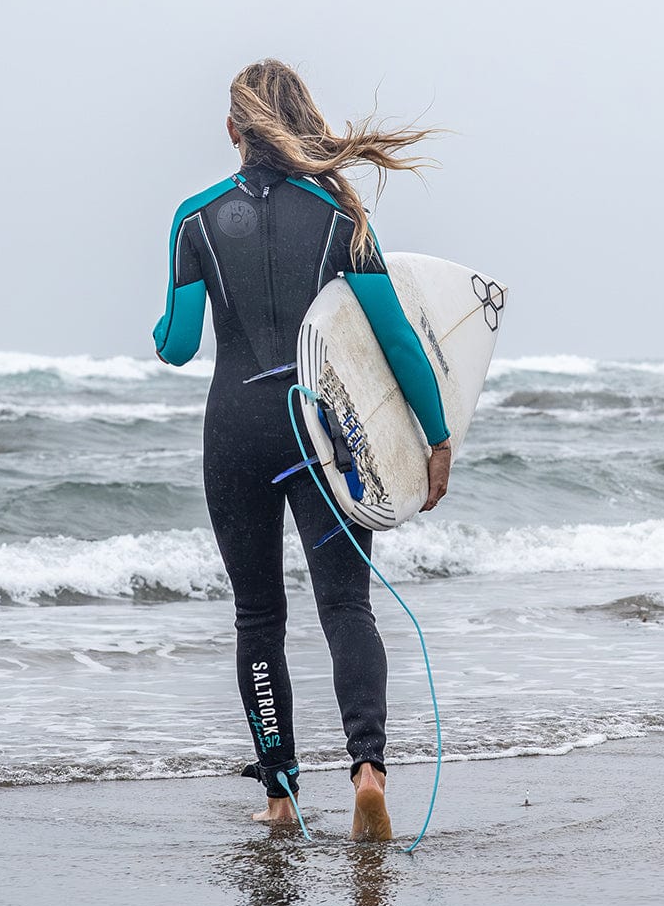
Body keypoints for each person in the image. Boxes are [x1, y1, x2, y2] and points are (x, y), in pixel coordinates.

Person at [153, 60, 451, 840]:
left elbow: (178, 346)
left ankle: (281, 792)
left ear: (232, 130)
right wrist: (437, 436)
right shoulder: (339, 215)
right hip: (322, 433)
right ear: (300, 121)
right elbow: (396, 341)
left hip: (234, 434)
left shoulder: (195, 218)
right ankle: (368, 771)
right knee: (346, 605)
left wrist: (166, 314)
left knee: (259, 616)